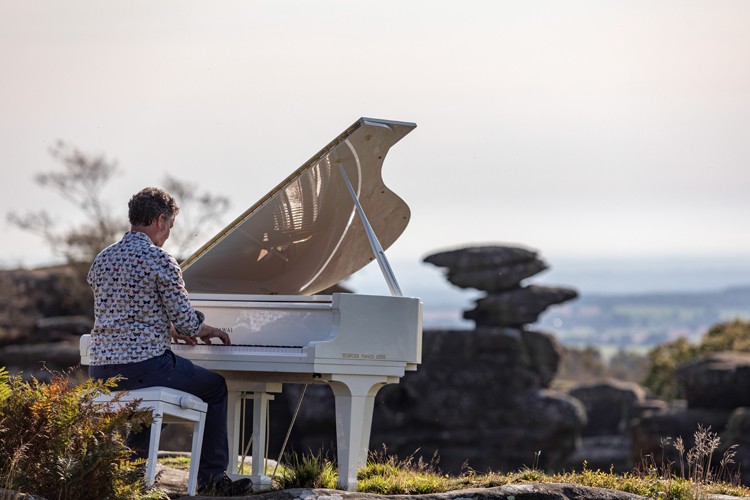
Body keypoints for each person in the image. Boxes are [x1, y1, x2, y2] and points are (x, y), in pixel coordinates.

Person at [87, 187, 252, 496]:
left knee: (156, 400)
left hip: (100, 370)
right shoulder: (160, 258)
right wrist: (207, 329)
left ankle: (132, 473)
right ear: (160, 220)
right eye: (171, 227)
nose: (168, 235)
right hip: (144, 366)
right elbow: (188, 321)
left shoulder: (102, 259)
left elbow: (124, 310)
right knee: (215, 388)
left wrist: (165, 328)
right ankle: (212, 479)